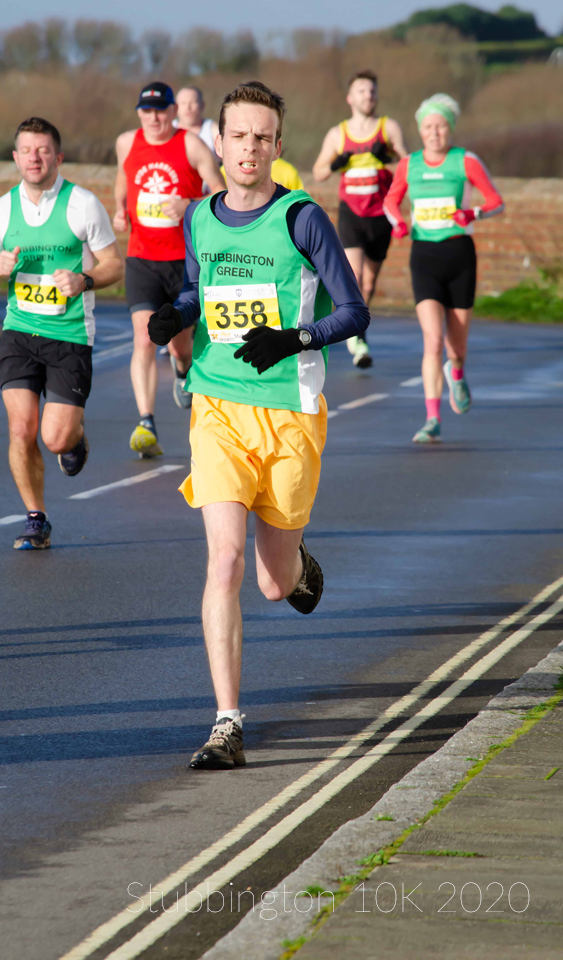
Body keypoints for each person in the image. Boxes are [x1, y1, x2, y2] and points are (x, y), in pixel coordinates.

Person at [148, 81, 370, 770]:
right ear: (219, 141)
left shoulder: (302, 218)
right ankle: (227, 723)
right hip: (216, 404)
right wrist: (177, 313)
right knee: (224, 560)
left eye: (263, 138)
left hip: (289, 411)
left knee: (274, 583)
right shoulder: (198, 217)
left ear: (277, 146)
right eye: (239, 136)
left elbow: (354, 312)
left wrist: (294, 338)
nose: (250, 148)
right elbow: (198, 289)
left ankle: (298, 566)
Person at [0, 117, 123, 549]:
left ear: (58, 157)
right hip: (19, 332)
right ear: (15, 157)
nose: (35, 158)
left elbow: (114, 265)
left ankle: (75, 438)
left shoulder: (82, 204)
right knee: (21, 429)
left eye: (43, 150)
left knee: (55, 437)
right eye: (26, 150)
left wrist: (84, 280)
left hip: (70, 335)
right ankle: (36, 518)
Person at [383, 94, 504, 444]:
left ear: (449, 129)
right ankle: (432, 418)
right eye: (428, 127)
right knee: (433, 340)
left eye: (440, 126)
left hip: (460, 256)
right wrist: (398, 222)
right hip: (424, 257)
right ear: (420, 130)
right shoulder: (409, 164)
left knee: (456, 349)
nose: (434, 132)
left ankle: (458, 372)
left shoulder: (465, 161)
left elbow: (496, 202)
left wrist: (472, 213)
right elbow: (391, 200)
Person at [113, 82, 224, 457]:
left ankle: (182, 366)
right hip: (142, 258)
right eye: (147, 111)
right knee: (144, 338)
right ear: (139, 113)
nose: (154, 118)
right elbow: (122, 178)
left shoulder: (191, 145)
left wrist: (189, 203)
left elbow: (221, 193)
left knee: (180, 344)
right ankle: (146, 421)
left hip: (184, 261)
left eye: (161, 110)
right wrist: (119, 209)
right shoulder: (126, 142)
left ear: (173, 111)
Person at [312, 70, 406, 368]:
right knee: (355, 274)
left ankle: (357, 322)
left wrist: (386, 159)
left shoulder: (388, 127)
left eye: (372, 91)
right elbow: (318, 172)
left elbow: (409, 165)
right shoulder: (337, 134)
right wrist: (336, 163)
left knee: (369, 281)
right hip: (351, 211)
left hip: (380, 213)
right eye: (363, 91)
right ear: (350, 98)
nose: (369, 95)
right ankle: (358, 336)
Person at [175, 86, 220, 158]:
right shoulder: (167, 129)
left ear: (202, 105)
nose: (188, 108)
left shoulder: (214, 130)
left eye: (193, 102)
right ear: (175, 107)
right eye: (183, 103)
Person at [220, 154, 304, 191]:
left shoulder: (288, 172)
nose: (250, 147)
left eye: (261, 138)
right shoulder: (226, 170)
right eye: (239, 136)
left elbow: (298, 206)